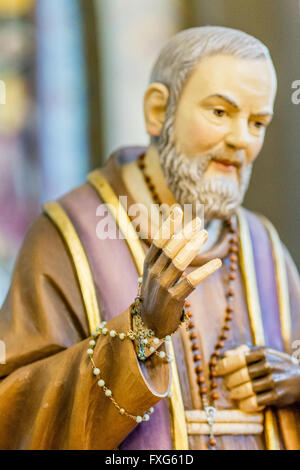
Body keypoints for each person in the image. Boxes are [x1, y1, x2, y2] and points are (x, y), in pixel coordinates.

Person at [0, 26, 299, 450]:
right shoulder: (70, 235)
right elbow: (14, 409)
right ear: (159, 110)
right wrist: (141, 331)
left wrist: (295, 383)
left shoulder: (262, 246)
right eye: (220, 112)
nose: (241, 140)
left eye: (257, 122)